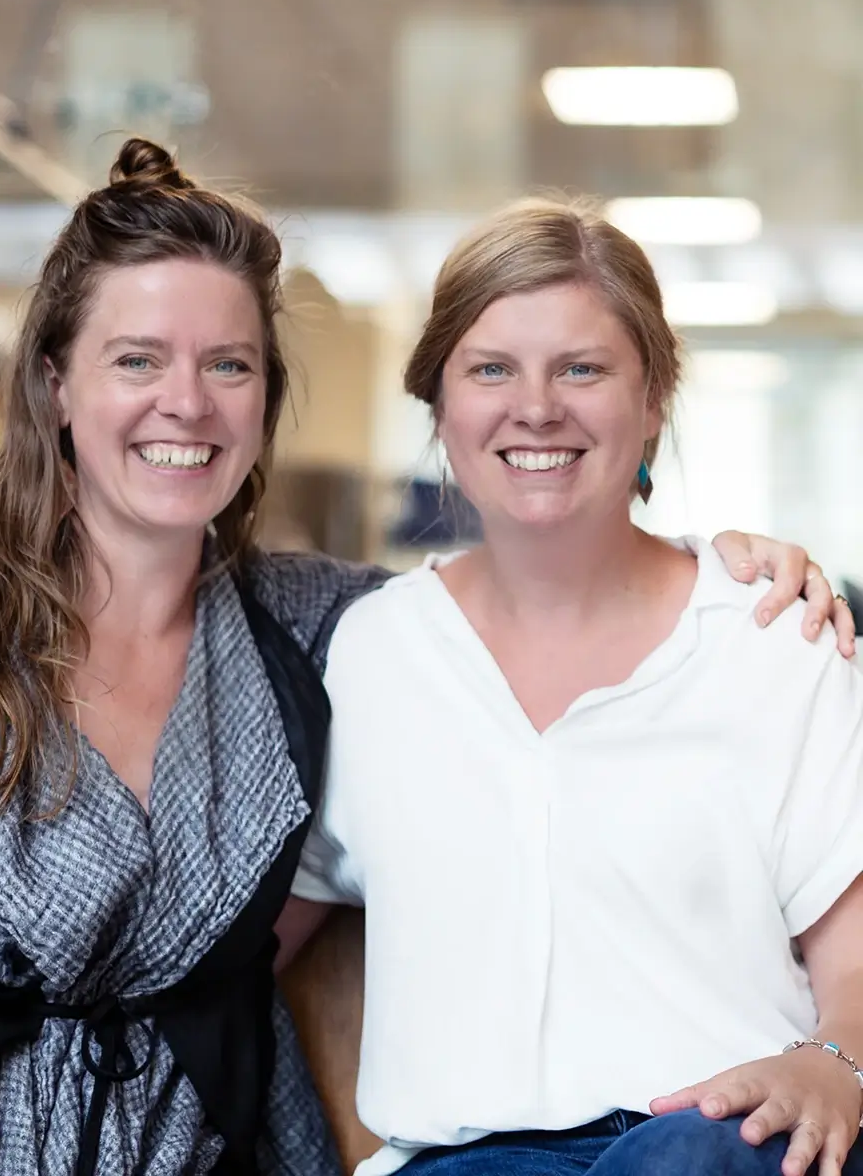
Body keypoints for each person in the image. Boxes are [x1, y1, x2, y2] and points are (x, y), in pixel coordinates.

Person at [0, 142, 846, 1176]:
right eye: (137, 359)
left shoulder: (323, 629)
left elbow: (538, 590)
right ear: (55, 384)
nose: (187, 403)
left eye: (229, 364)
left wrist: (730, 568)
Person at [289, 197, 863, 1176]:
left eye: (581, 368)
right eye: (490, 369)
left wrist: (832, 1062)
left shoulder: (772, 633)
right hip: (464, 1160)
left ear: (652, 401)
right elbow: (243, 927)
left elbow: (849, 956)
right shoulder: (371, 653)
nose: (536, 406)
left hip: (722, 1141)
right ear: (440, 407)